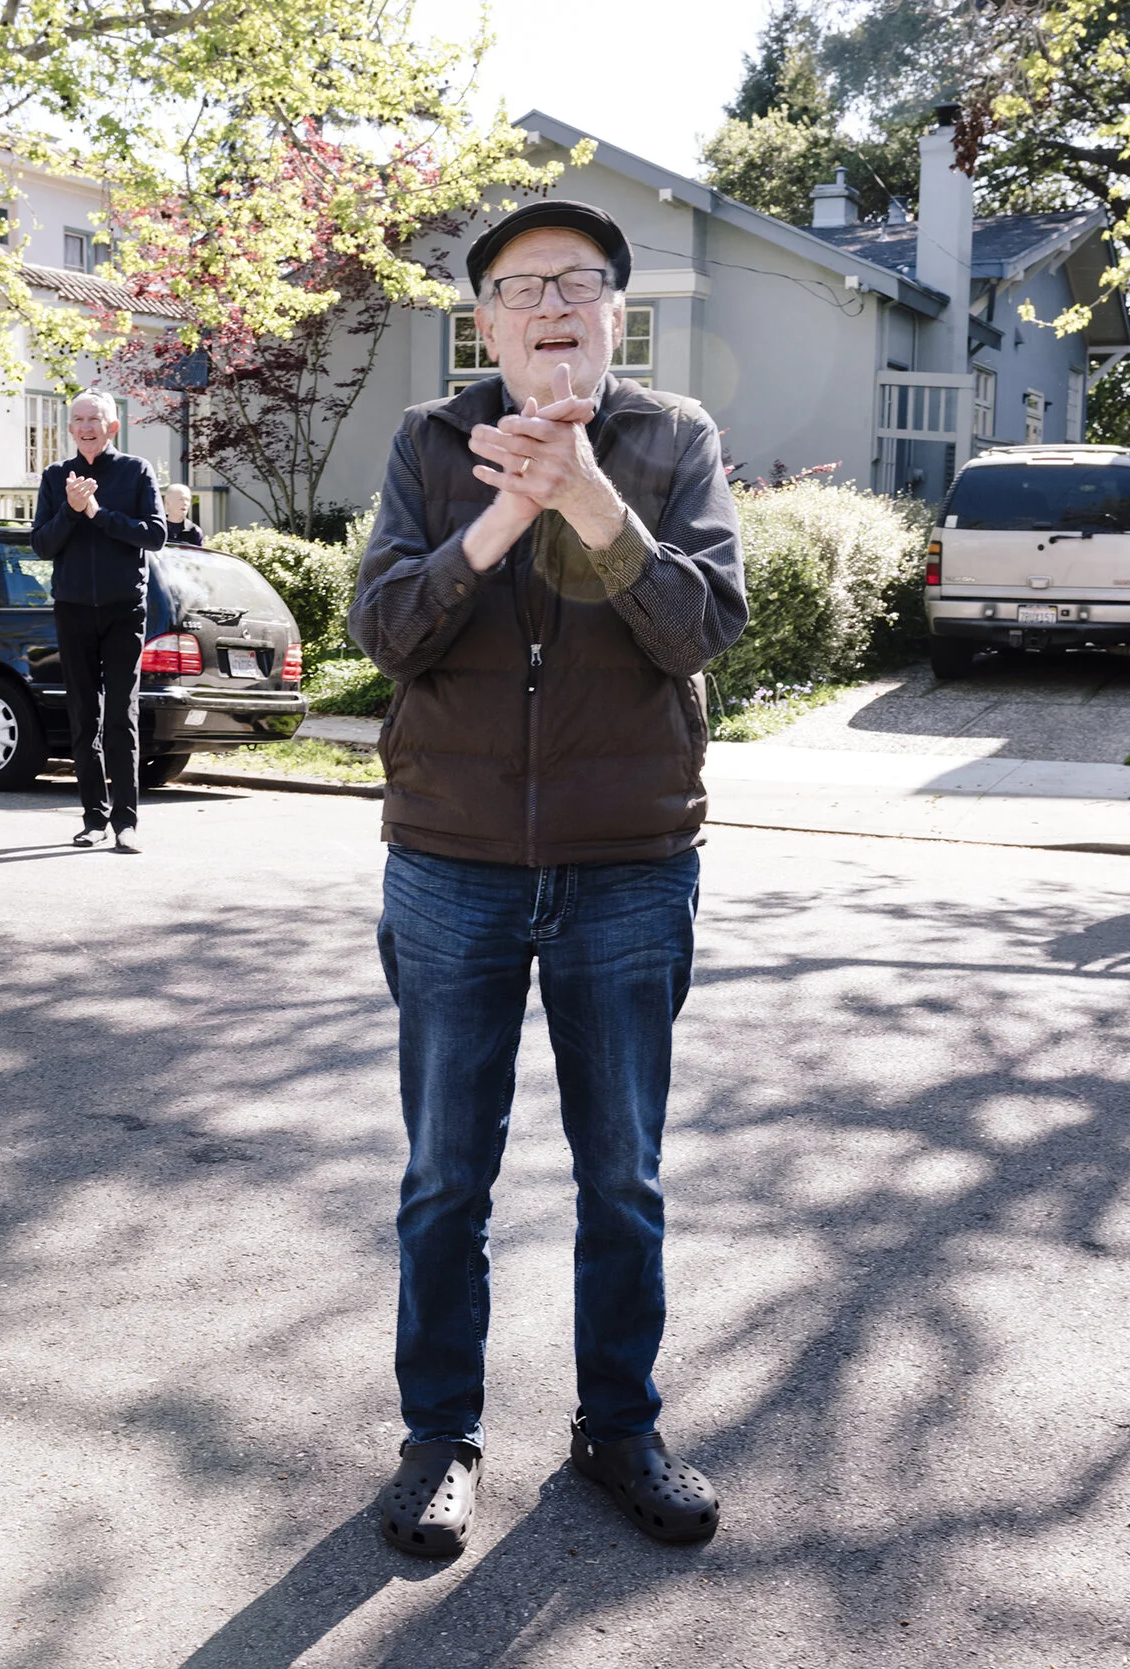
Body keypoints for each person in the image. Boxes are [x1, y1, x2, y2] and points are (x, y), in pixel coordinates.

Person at [347, 200, 746, 1558]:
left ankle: (617, 1429)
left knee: (621, 1179)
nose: (552, 302)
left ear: (615, 315)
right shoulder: (426, 442)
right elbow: (390, 630)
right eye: (522, 286)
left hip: (628, 869)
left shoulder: (674, 440)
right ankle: (439, 1440)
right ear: (490, 326)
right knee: (445, 1180)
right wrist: (504, 512)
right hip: (450, 866)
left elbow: (699, 629)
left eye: (580, 281)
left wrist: (589, 497)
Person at [31, 389, 164, 851]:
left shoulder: (135, 471)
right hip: (72, 609)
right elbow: (42, 546)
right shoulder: (55, 477)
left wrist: (97, 513)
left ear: (112, 427)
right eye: (79, 419)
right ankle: (93, 818)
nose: (87, 426)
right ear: (70, 429)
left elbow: (155, 534)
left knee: (120, 717)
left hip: (123, 608)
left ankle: (126, 822)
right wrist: (70, 510)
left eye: (96, 419)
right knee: (83, 715)